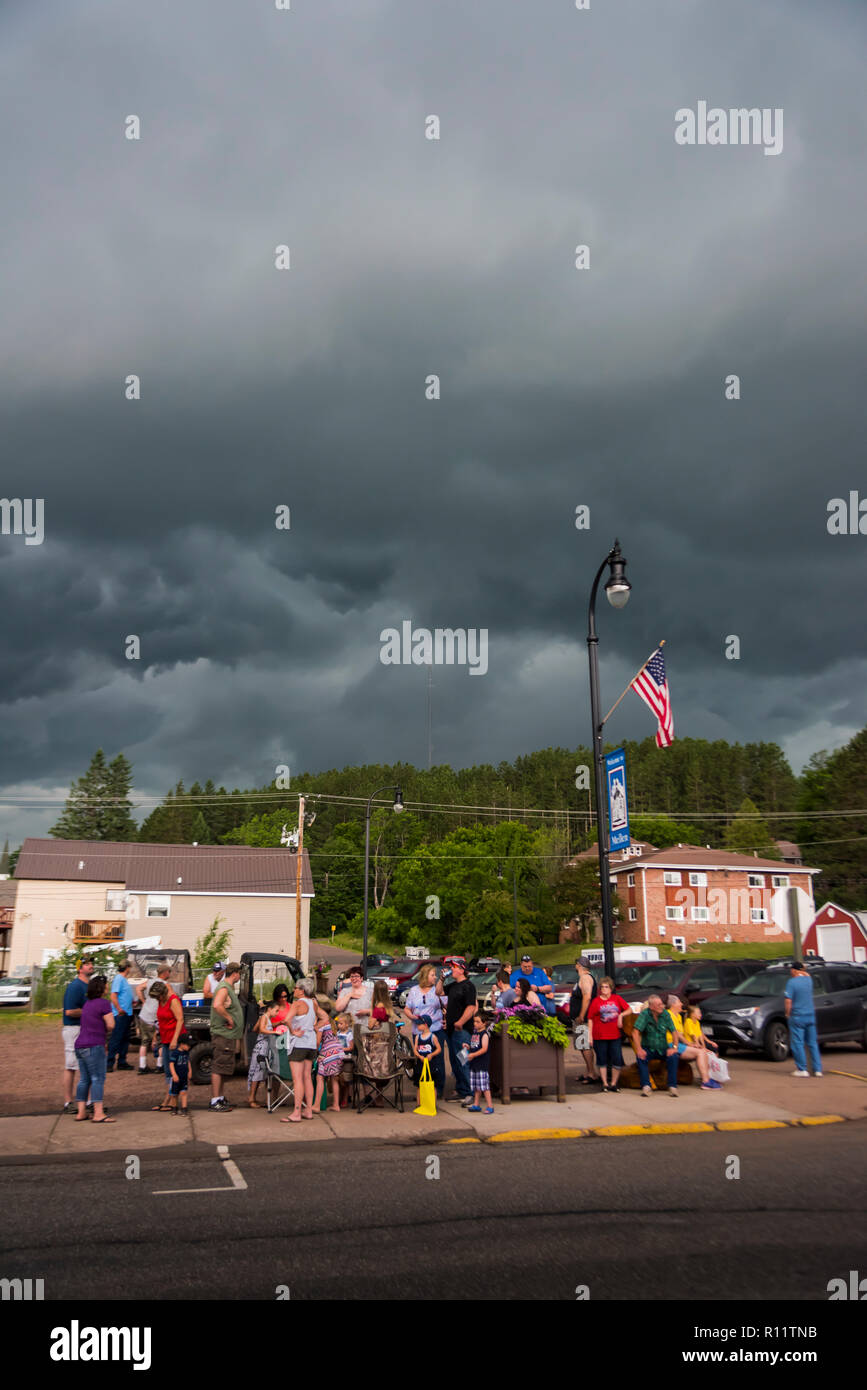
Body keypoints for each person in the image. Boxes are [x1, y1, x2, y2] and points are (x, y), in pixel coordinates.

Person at [73, 975, 115, 1123]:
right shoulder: (104, 1004)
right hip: (94, 1044)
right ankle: (98, 1113)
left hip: (80, 1045)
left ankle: (81, 1112)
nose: (108, 987)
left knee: (84, 1079)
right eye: (106, 985)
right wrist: (105, 1029)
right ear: (101, 988)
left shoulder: (87, 1004)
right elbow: (111, 1024)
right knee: (98, 1078)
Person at [403, 963, 446, 1099]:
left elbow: (446, 1006)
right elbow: (407, 1008)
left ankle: (437, 1088)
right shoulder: (414, 990)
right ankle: (421, 1089)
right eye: (432, 975)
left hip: (435, 1030)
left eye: (435, 975)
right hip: (419, 1032)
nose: (434, 977)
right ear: (425, 976)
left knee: (436, 1060)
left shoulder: (437, 990)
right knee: (420, 1061)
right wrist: (411, 1016)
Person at [437, 958, 476, 1105]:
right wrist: (441, 978)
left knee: (463, 1060)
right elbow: (438, 992)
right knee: (455, 1062)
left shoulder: (469, 986)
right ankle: (461, 1090)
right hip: (452, 1031)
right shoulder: (453, 985)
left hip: (463, 1031)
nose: (451, 969)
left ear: (462, 969)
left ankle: (470, 1093)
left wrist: (460, 1022)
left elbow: (471, 1007)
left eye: (454, 967)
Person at [281, 979, 320, 1122]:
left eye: (296, 988)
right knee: (307, 1077)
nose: (294, 990)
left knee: (298, 1079)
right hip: (310, 1043)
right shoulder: (314, 1003)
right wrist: (314, 1026)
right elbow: (324, 1018)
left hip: (299, 1043)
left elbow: (286, 1020)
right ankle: (308, 1110)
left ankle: (296, 1113)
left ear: (302, 990)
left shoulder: (297, 1004)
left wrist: (292, 1032)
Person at [247, 984, 292, 1108]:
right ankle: (251, 1099)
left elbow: (256, 1028)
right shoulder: (265, 1017)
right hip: (262, 1047)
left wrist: (278, 1023)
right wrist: (274, 1031)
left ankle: (254, 1098)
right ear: (270, 1009)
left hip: (265, 1046)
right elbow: (261, 1029)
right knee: (257, 1072)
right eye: (276, 1010)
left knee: (261, 1072)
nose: (278, 1012)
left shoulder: (264, 1017)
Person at [208, 962, 243, 1112]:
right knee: (218, 1066)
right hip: (223, 1035)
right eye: (239, 973)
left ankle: (221, 1098)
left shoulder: (227, 988)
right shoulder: (224, 988)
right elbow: (217, 1005)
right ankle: (215, 1100)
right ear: (235, 973)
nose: (240, 976)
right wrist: (229, 1018)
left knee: (223, 1067)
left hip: (228, 1036)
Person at [62, 957, 95, 1113]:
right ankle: (68, 1102)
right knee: (71, 1066)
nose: (91, 966)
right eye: (87, 964)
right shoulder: (75, 986)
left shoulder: (88, 986)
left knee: (88, 1066)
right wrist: (90, 1011)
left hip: (85, 1029)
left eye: (91, 964)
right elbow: (69, 1011)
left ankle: (88, 1101)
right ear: (80, 969)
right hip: (73, 1029)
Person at [587, 976, 630, 1092]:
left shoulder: (617, 998)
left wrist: (621, 1015)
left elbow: (629, 1009)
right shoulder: (596, 1001)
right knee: (602, 1059)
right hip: (600, 1035)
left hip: (615, 1035)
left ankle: (614, 1083)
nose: (604, 989)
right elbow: (590, 1019)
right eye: (602, 987)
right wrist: (590, 1036)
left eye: (606, 987)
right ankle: (605, 1083)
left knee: (617, 1059)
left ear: (611, 988)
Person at [632, 994, 680, 1097]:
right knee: (641, 1057)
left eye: (662, 1004)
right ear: (651, 1007)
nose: (662, 1006)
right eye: (659, 1005)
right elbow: (635, 1032)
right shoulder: (645, 1014)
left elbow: (674, 1032)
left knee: (674, 1056)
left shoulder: (666, 1014)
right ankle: (646, 1086)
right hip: (648, 1047)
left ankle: (672, 1087)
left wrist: (674, 1047)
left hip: (663, 1048)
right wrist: (639, 1049)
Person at [666, 994, 713, 1089]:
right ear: (673, 1004)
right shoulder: (668, 1014)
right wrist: (689, 1044)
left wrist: (692, 1044)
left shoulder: (678, 1016)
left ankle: (707, 1078)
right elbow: (676, 1033)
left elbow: (682, 1034)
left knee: (704, 1051)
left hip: (678, 1044)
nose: (681, 1004)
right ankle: (706, 1082)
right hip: (670, 1044)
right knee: (700, 1052)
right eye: (679, 1002)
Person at [150, 981, 184, 1111]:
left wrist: (175, 1039)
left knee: (173, 1071)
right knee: (168, 1071)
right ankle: (169, 1100)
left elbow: (180, 1019)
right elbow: (160, 1020)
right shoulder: (161, 1001)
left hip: (173, 1039)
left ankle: (169, 1101)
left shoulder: (173, 1000)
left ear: (163, 993)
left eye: (158, 996)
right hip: (165, 1039)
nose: (157, 999)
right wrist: (155, 1035)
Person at [785, 962, 823, 1078]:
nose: (790, 971)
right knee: (812, 1043)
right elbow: (807, 974)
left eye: (791, 969)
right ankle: (817, 1069)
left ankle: (802, 1069)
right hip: (810, 1015)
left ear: (794, 970)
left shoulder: (791, 983)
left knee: (798, 1043)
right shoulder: (809, 980)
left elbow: (788, 1000)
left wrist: (787, 1013)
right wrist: (803, 971)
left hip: (798, 1016)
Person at [136, 964, 172, 1074]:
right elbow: (172, 997)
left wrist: (143, 1001)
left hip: (144, 1015)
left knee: (144, 1041)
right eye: (169, 972)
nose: (169, 974)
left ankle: (142, 1067)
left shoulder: (150, 982)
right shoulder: (165, 985)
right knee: (160, 1042)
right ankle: (160, 1065)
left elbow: (138, 988)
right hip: (155, 1018)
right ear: (165, 973)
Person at [569, 959, 599, 1084]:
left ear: (579, 966)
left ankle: (592, 1073)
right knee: (582, 1045)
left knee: (585, 1045)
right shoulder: (582, 978)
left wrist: (581, 1015)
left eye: (576, 964)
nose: (575, 966)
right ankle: (589, 1071)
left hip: (584, 1019)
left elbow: (587, 996)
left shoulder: (585, 978)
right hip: (580, 1019)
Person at [683, 1004, 722, 1089]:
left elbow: (701, 1036)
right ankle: (707, 1076)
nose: (701, 1014)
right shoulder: (689, 1021)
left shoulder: (697, 1022)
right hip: (691, 1043)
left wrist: (708, 1043)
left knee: (714, 1048)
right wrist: (703, 1048)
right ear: (693, 1014)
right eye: (699, 1013)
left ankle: (712, 1074)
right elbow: (694, 1037)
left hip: (698, 1044)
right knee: (706, 1053)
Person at [106, 959, 135, 1073]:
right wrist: (119, 1009)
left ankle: (122, 1062)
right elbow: (113, 996)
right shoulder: (119, 979)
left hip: (127, 1013)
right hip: (121, 1014)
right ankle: (109, 1063)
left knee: (124, 1039)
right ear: (127, 967)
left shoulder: (123, 980)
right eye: (129, 967)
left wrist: (131, 1002)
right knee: (116, 1038)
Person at [313, 1011, 344, 1113]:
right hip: (338, 1051)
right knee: (335, 1079)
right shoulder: (332, 1023)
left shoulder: (322, 1024)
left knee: (320, 1078)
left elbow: (317, 1042)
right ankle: (336, 1105)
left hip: (327, 1052)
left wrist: (314, 1051)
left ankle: (316, 1105)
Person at [411, 1014, 443, 1105]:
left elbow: (439, 1049)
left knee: (432, 1084)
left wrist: (431, 1055)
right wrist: (419, 1056)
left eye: (419, 1024)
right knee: (419, 1085)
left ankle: (432, 1103)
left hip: (431, 1065)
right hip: (421, 1065)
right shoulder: (418, 1037)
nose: (417, 1026)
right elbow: (415, 1050)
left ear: (425, 1025)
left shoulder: (432, 1037)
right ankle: (419, 1103)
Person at [466, 1013, 493, 1114]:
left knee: (484, 1086)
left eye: (478, 1022)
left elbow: (484, 1049)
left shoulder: (484, 1034)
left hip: (481, 1064)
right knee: (477, 1086)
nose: (475, 1024)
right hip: (474, 1064)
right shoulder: (475, 1034)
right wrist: (468, 1047)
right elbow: (475, 1046)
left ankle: (490, 1106)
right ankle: (476, 1104)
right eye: (474, 1021)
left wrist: (473, 1055)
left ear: (484, 1023)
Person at [167, 1031, 193, 1115]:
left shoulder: (186, 1052)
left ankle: (184, 1108)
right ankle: (174, 1108)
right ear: (181, 1044)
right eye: (188, 1045)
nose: (189, 1046)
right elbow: (171, 1064)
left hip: (184, 1076)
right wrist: (174, 1074)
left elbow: (188, 1061)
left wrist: (190, 1071)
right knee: (174, 1094)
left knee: (184, 1092)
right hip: (176, 1077)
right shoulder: (175, 1053)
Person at [335, 1012, 355, 1108]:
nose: (339, 1025)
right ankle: (338, 1099)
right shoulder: (338, 1033)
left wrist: (343, 1049)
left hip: (347, 1058)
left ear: (347, 1024)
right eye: (338, 1023)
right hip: (338, 1058)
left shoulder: (349, 1034)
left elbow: (351, 1047)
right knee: (338, 1080)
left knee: (346, 1080)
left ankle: (345, 1099)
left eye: (341, 1023)